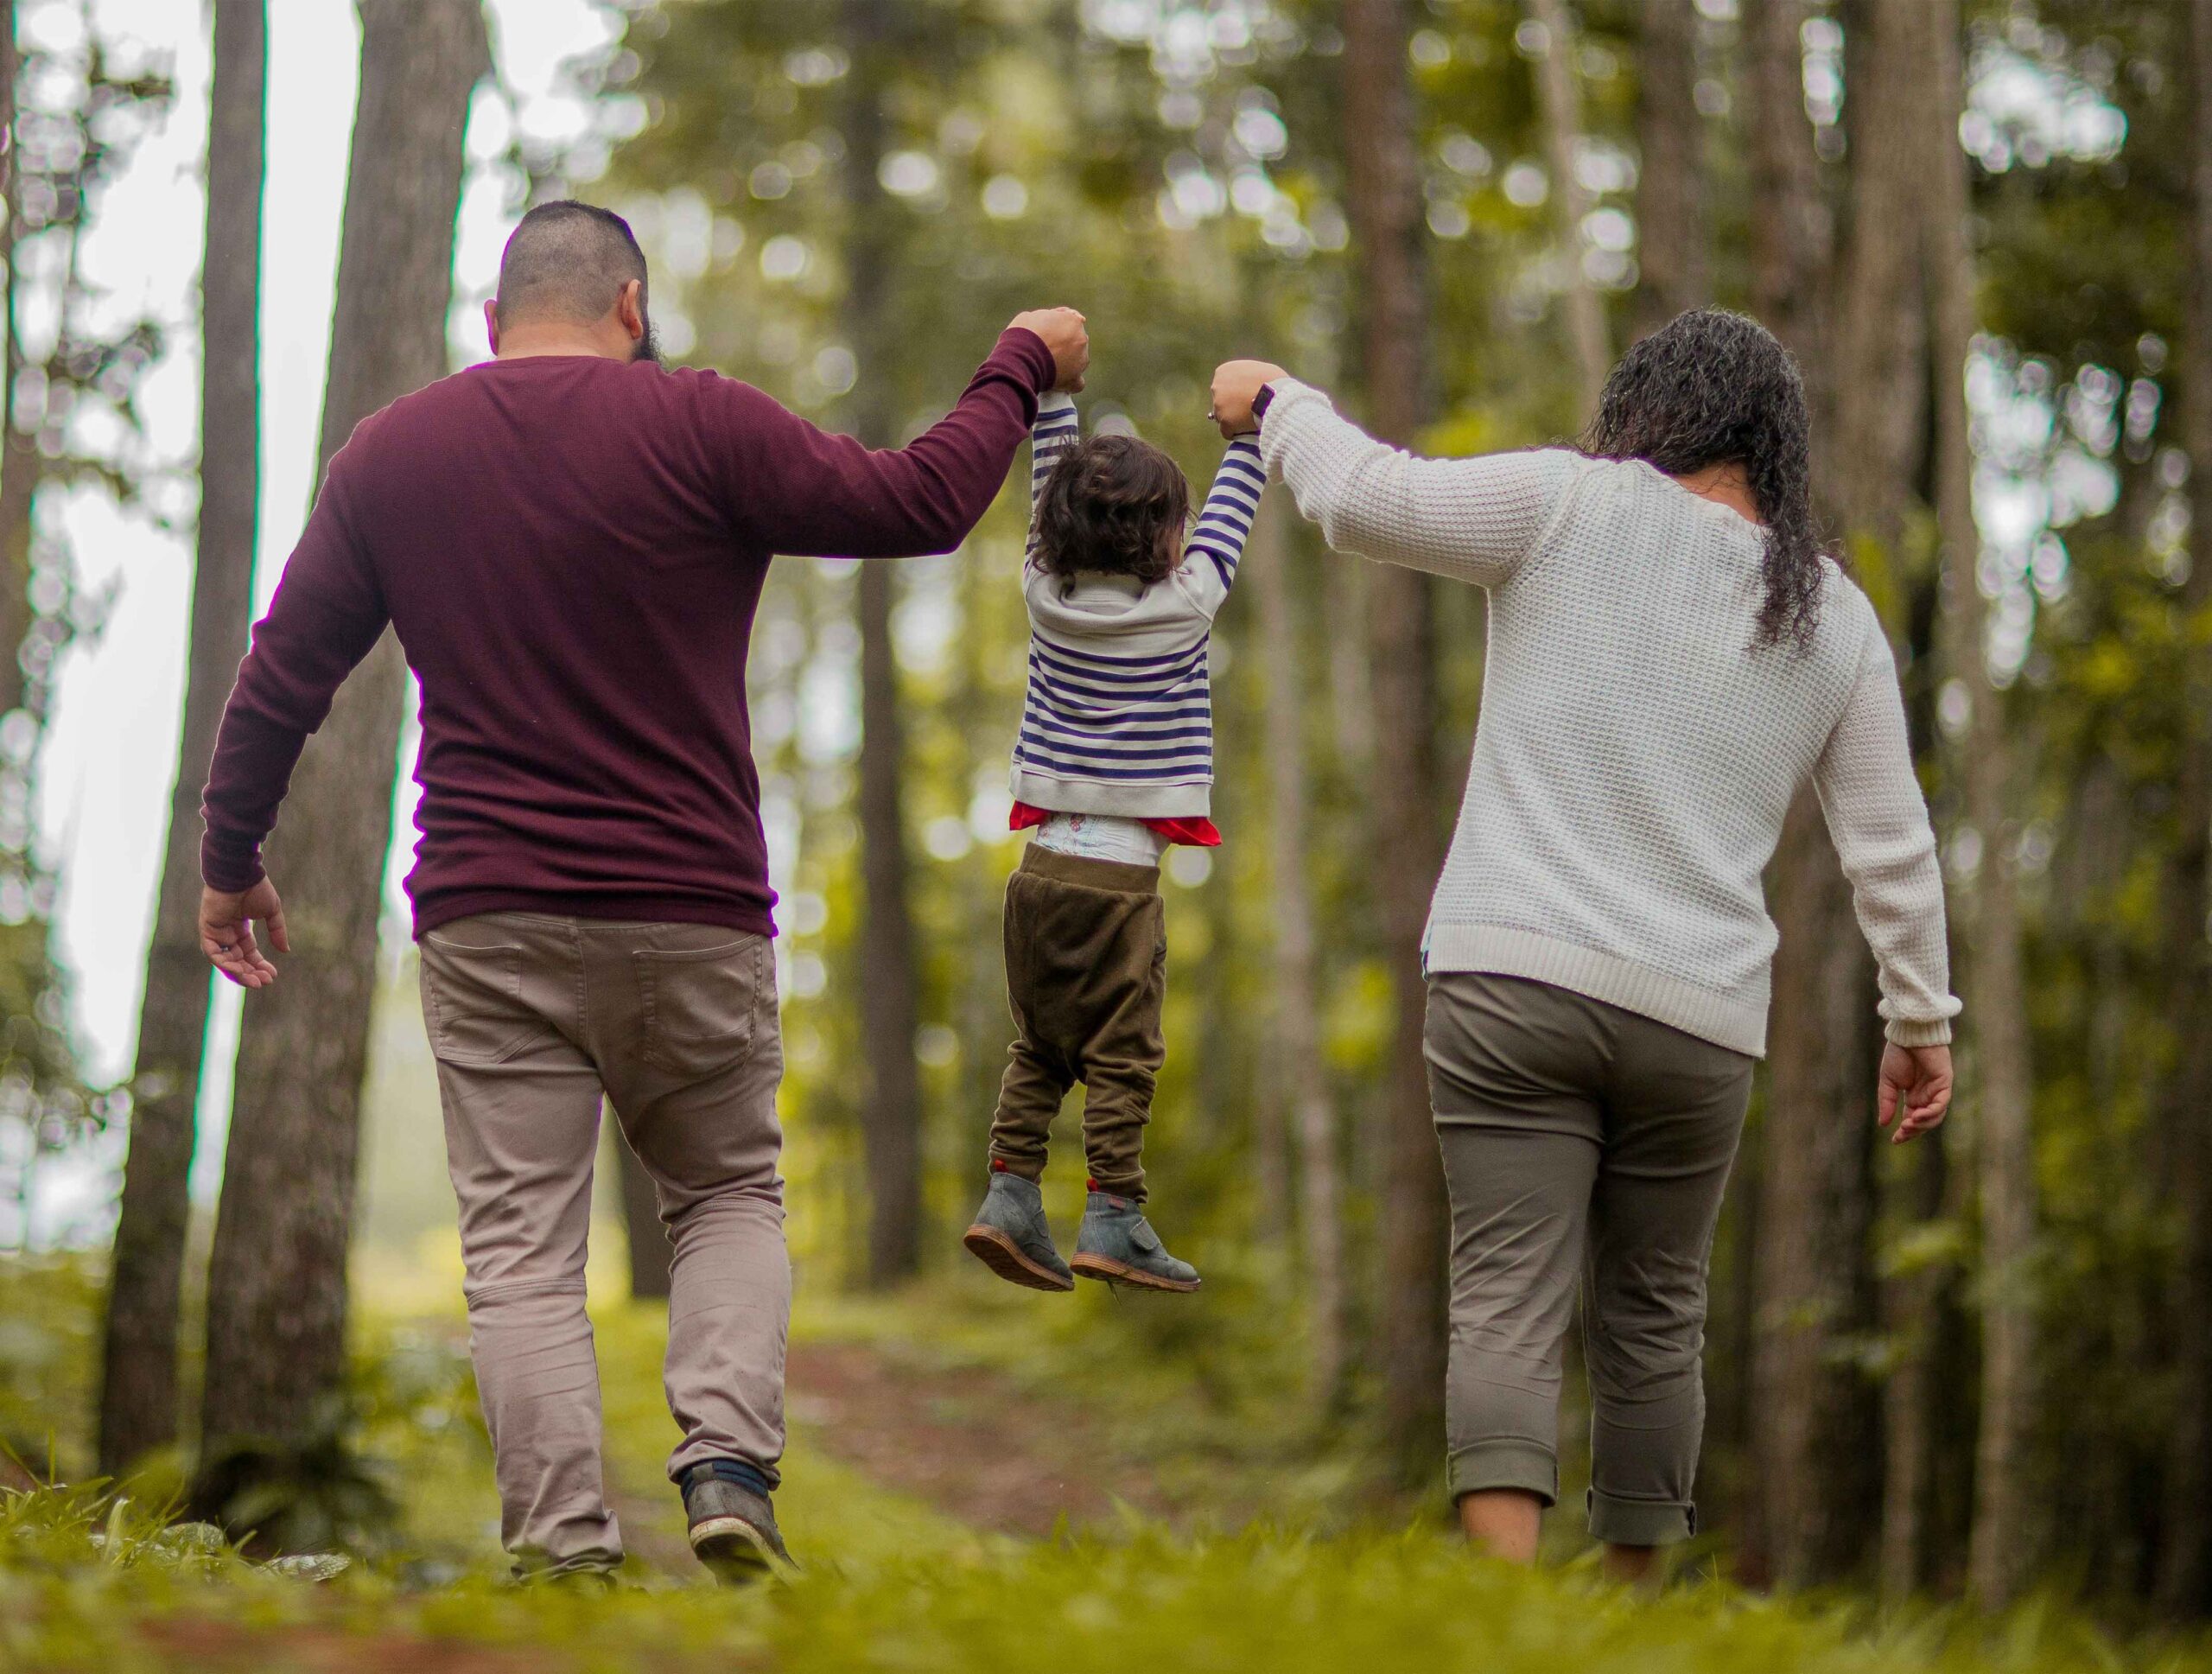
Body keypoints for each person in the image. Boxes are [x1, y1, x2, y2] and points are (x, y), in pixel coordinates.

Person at [194, 199, 1090, 1582]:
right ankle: (730, 1466)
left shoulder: (395, 454)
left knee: (520, 1253)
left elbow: (284, 674)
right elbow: (918, 503)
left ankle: (561, 1550)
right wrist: (1018, 363)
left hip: (488, 914)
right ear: (632, 306)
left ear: (493, 325)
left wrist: (231, 859)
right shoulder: (702, 421)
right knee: (727, 1189)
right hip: (690, 905)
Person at [1208, 309, 1959, 1583]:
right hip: (1699, 1019)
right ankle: (1629, 1622)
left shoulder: (1566, 503)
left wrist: (1281, 400)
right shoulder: (1831, 616)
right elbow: (1892, 845)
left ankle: (1505, 1617)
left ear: (1647, 409)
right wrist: (1920, 1022)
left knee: (1508, 1290)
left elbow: (1363, 501)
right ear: (1775, 447)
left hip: (1513, 980)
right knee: (1657, 1319)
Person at [960, 385, 1264, 1295]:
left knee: (1041, 1047)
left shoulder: (1040, 594)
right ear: (1165, 537)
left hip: (1039, 872)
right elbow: (1234, 509)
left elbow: (1042, 483)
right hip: (1119, 884)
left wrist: (1054, 395)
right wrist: (1248, 432)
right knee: (1121, 1055)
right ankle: (1113, 1212)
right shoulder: (1185, 604)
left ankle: (1010, 1192)